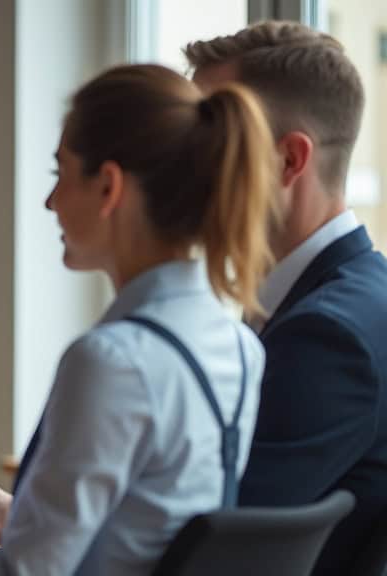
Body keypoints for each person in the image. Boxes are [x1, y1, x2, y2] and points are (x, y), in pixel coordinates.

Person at [0, 63, 275, 575]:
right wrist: (8, 513)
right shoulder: (239, 346)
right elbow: (144, 535)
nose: (49, 201)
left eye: (59, 174)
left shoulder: (113, 361)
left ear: (108, 187)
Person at [186, 21, 387, 574]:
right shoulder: (356, 295)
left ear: (290, 161)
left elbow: (210, 554)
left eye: (209, 142)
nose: (185, 170)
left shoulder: (329, 336)